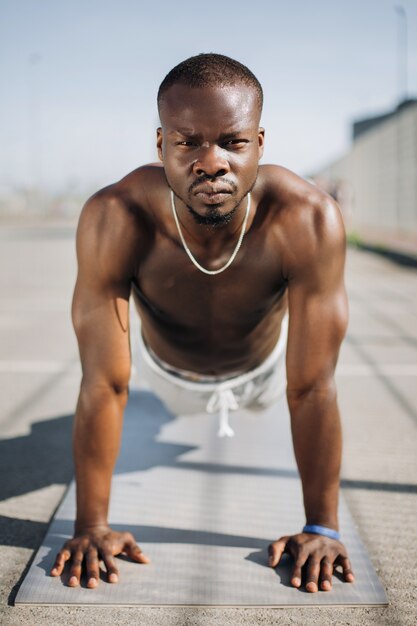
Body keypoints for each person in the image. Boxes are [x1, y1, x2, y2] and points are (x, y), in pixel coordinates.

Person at [50, 53, 355, 594]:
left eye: (232, 142)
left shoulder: (306, 218)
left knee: (297, 382)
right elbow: (104, 381)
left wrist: (321, 527)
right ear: (160, 144)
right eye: (188, 141)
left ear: (260, 142)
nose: (211, 162)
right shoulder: (116, 216)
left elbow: (311, 385)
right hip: (164, 371)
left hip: (261, 369)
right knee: (150, 408)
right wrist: (91, 526)